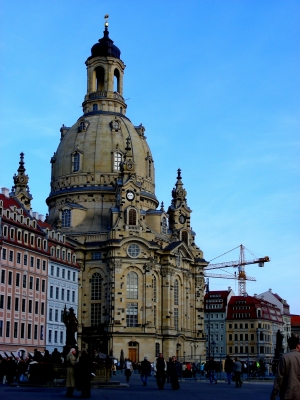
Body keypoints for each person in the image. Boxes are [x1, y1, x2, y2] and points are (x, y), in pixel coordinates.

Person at [270, 334, 300, 400]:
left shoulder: (284, 357)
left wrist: (274, 395)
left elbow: (279, 378)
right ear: (298, 345)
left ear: (289, 346)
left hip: (287, 394)